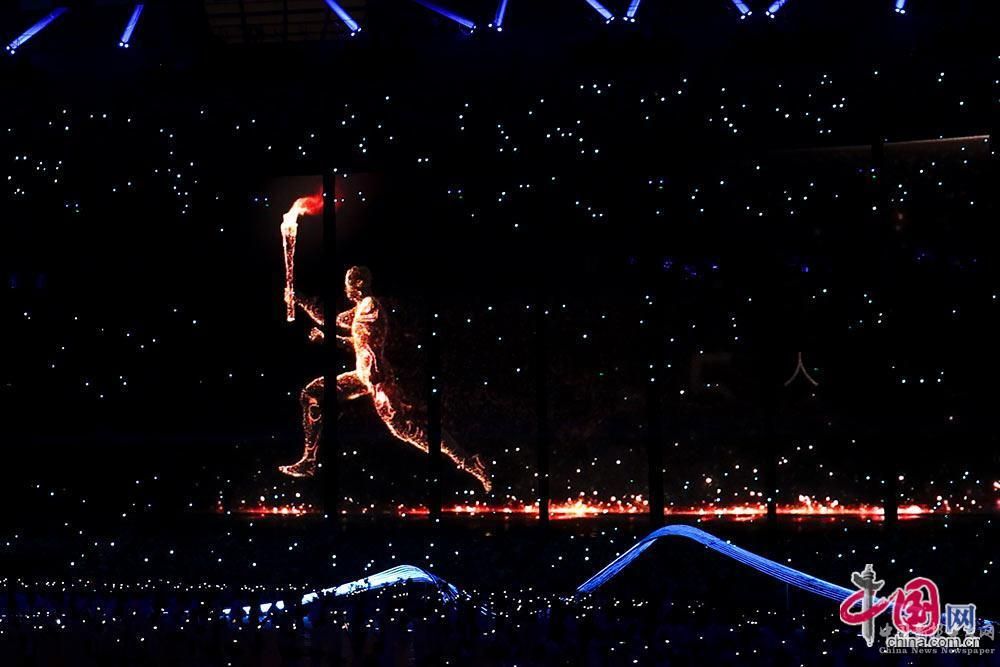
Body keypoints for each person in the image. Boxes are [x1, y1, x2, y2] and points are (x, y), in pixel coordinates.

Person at [279, 266, 492, 491]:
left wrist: (309, 311)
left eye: (348, 282)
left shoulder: (370, 306)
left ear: (359, 284)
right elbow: (342, 328)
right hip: (363, 375)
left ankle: (469, 463)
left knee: (404, 429)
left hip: (377, 378)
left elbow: (357, 339)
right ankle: (310, 460)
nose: (345, 288)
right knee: (312, 393)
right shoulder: (361, 308)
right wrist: (302, 302)